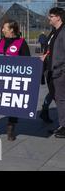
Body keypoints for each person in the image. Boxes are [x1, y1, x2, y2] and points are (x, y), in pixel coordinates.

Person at [41, 8, 65, 138]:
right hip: (50, 70)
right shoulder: (53, 32)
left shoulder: (63, 32)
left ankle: (64, 126)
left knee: (61, 99)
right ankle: (62, 125)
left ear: (58, 17)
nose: (49, 18)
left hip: (60, 71)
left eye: (51, 16)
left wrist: (62, 69)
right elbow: (51, 49)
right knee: (57, 99)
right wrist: (45, 56)